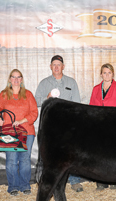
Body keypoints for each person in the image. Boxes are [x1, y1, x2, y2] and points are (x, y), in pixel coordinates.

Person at [35, 55, 84, 192]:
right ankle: (52, 181)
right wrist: (47, 98)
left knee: (72, 153)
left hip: (68, 125)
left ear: (63, 66)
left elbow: (77, 103)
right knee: (52, 154)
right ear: (50, 67)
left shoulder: (71, 82)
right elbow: (36, 101)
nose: (56, 67)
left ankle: (74, 181)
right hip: (50, 126)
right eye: (54, 64)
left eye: (59, 64)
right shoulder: (44, 83)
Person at [0, 69, 38, 196]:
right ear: (9, 79)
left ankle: (25, 185)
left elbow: (34, 113)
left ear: (22, 79)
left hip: (27, 132)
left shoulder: (28, 94)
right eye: (13, 77)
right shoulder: (4, 95)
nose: (16, 80)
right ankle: (13, 186)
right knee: (11, 160)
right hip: (9, 133)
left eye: (19, 77)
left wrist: (22, 120)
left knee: (25, 159)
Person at [89, 63, 116, 190]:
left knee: (114, 155)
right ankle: (101, 181)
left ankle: (115, 180)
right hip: (99, 127)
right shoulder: (95, 89)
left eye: (109, 73)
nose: (107, 75)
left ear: (113, 74)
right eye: (104, 73)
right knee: (100, 155)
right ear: (101, 74)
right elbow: (91, 108)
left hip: (115, 127)